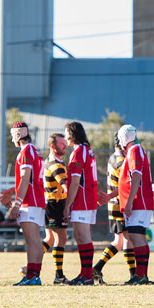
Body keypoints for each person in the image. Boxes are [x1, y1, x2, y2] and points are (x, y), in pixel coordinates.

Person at [6, 121, 46, 286]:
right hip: (37, 200)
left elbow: (24, 178)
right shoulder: (34, 150)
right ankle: (35, 275)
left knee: (32, 241)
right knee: (36, 240)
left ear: (17, 135)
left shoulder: (26, 151)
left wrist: (17, 204)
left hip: (30, 201)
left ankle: (31, 276)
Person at [62, 121, 100, 285]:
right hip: (88, 199)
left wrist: (67, 205)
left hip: (82, 200)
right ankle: (84, 274)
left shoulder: (78, 152)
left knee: (83, 237)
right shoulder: (87, 150)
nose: (64, 137)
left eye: (66, 133)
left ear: (71, 134)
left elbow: (75, 182)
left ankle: (87, 276)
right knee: (80, 236)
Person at [93, 136, 135, 284]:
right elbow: (125, 185)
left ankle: (97, 268)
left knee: (119, 240)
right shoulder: (121, 161)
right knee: (127, 239)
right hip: (119, 203)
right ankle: (133, 275)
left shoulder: (113, 158)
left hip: (114, 203)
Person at [118, 123, 154, 285]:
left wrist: (130, 202)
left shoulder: (134, 150)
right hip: (140, 201)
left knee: (136, 237)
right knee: (138, 236)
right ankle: (142, 275)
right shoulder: (136, 150)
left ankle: (140, 275)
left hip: (139, 202)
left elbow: (136, 177)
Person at [43, 132, 69, 284]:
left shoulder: (56, 161)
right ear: (53, 147)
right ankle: (58, 276)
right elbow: (65, 186)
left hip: (53, 203)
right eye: (61, 144)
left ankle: (31, 265)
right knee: (61, 238)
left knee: (51, 238)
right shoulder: (55, 164)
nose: (64, 145)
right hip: (55, 204)